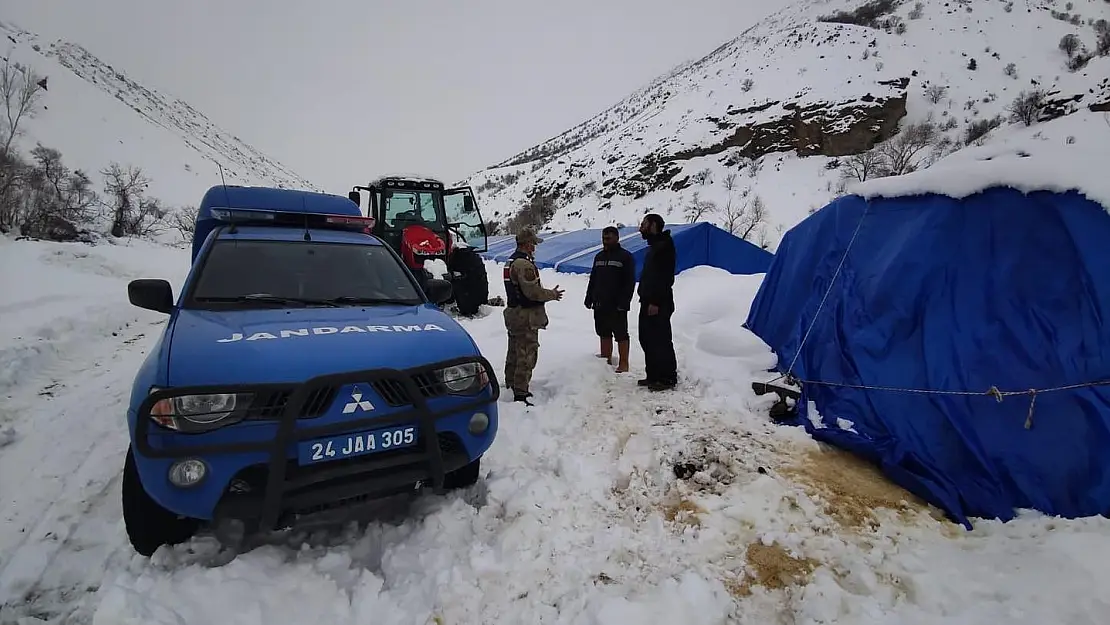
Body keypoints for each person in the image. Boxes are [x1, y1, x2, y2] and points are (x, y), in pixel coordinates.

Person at [503, 227, 564, 404]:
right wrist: (552, 294)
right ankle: (521, 392)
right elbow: (532, 292)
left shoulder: (511, 261)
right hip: (525, 316)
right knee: (526, 353)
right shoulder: (524, 265)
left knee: (514, 350)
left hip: (514, 313)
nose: (534, 248)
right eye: (533, 244)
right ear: (527, 244)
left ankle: (511, 383)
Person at [584, 226, 636, 373]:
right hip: (600, 303)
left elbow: (629, 282)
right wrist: (589, 296)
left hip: (617, 304)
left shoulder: (625, 257)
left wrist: (624, 302)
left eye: (608, 238)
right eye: (603, 238)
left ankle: (624, 363)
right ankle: (605, 359)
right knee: (603, 331)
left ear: (617, 238)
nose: (605, 241)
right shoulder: (599, 257)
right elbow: (593, 279)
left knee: (620, 333)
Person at [636, 213, 678, 391]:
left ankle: (667, 377)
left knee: (660, 339)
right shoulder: (654, 246)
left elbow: (664, 277)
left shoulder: (664, 246)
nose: (640, 228)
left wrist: (655, 301)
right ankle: (653, 375)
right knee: (647, 338)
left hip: (658, 302)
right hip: (647, 300)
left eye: (644, 224)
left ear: (653, 225)